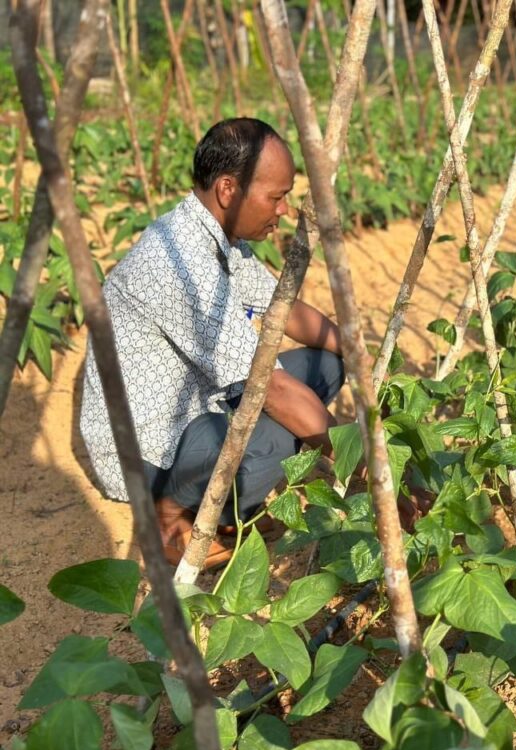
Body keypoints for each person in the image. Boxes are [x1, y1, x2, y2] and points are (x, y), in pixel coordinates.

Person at [80, 118, 346, 569]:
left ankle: (225, 509)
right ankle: (168, 519)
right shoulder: (178, 263)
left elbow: (282, 307)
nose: (284, 210)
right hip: (148, 451)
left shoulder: (220, 239)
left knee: (326, 364)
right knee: (276, 436)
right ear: (228, 190)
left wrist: (355, 353)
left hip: (193, 411)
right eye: (276, 197)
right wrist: (365, 467)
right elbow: (273, 390)